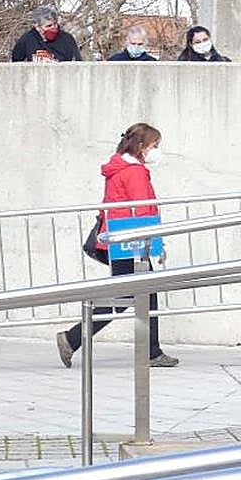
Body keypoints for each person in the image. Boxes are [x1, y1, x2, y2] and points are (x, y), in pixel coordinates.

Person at [57, 123, 179, 369]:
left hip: (120, 241)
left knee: (136, 294)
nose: (157, 151)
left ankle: (75, 339)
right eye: (156, 145)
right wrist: (156, 243)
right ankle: (72, 339)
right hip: (131, 243)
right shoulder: (134, 172)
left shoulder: (118, 167)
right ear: (142, 146)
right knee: (131, 295)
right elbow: (143, 209)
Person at [10, 6, 82, 62]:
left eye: (55, 24)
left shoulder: (67, 39)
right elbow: (16, 63)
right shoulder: (26, 40)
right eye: (49, 26)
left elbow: (76, 63)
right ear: (37, 27)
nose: (54, 28)